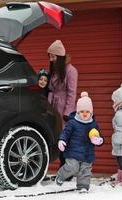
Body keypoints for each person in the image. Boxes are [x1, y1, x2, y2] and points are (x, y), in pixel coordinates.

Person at [55, 91, 104, 193]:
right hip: (73, 151)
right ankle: (60, 176)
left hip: (87, 153)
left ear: (91, 112)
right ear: (77, 112)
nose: (85, 114)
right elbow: (65, 132)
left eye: (87, 111)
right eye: (82, 112)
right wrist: (62, 140)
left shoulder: (93, 124)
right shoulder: (72, 122)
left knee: (85, 170)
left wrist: (99, 140)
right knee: (73, 167)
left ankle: (83, 186)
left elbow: (99, 136)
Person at [46, 40, 78, 169]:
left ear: (59, 56)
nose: (51, 59)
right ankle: (63, 167)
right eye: (50, 56)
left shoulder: (71, 71)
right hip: (53, 107)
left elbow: (72, 92)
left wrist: (68, 112)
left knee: (65, 139)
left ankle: (67, 168)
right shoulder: (55, 70)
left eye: (53, 56)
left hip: (63, 109)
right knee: (57, 138)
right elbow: (50, 88)